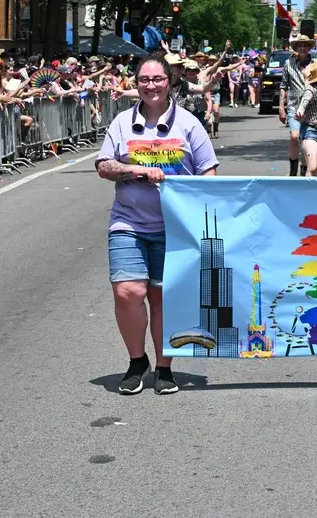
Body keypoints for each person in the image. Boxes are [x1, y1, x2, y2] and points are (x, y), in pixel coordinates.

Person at [95, 55, 219, 396]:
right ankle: (138, 361)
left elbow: (209, 173)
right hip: (128, 222)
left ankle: (165, 367)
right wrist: (134, 170)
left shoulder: (190, 125)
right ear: (137, 84)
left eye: (157, 79)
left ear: (170, 82)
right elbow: (104, 166)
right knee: (127, 291)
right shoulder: (122, 123)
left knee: (161, 295)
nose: (151, 85)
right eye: (144, 79)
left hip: (174, 228)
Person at [279, 34, 316, 176]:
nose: (303, 48)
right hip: (294, 106)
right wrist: (281, 107)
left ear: (309, 48)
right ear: (296, 47)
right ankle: (293, 171)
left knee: (307, 140)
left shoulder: (315, 64)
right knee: (295, 137)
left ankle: (304, 167)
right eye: (300, 45)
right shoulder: (289, 64)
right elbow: (283, 85)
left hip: (311, 108)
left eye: (305, 45)